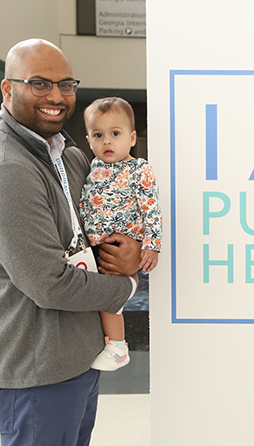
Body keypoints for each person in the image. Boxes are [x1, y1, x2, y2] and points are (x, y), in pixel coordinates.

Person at [0, 39, 142, 446]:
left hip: (77, 358)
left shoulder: (68, 154)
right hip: (35, 370)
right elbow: (49, 282)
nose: (56, 96)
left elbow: (100, 227)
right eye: (39, 83)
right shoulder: (5, 169)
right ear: (7, 89)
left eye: (65, 84)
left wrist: (131, 248)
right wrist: (124, 283)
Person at [80, 97, 162, 370]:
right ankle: (107, 342)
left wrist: (151, 245)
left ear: (132, 138)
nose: (107, 142)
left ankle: (117, 347)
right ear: (89, 139)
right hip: (94, 247)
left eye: (115, 134)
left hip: (119, 247)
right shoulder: (93, 168)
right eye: (98, 135)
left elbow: (152, 209)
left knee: (108, 298)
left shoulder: (139, 169)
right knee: (96, 297)